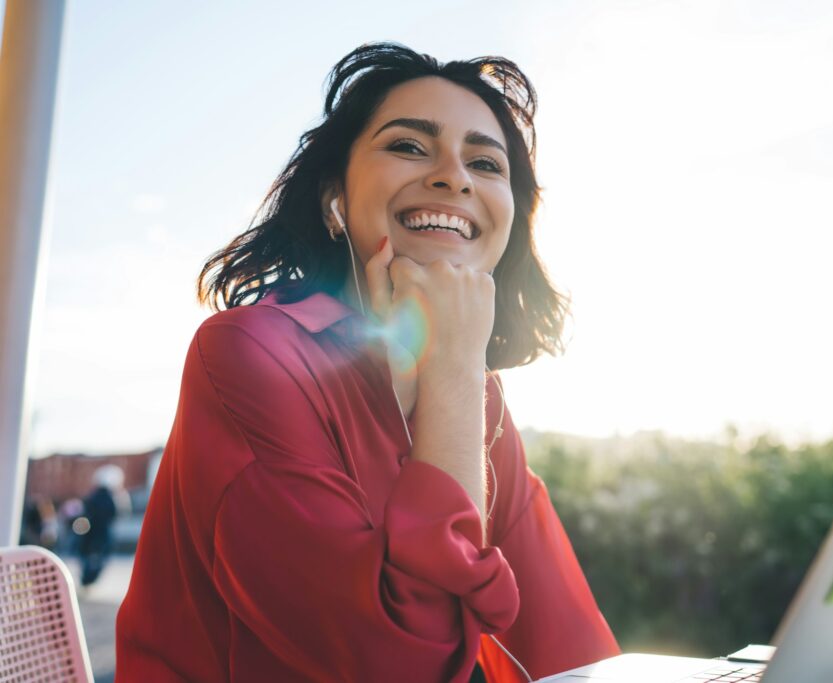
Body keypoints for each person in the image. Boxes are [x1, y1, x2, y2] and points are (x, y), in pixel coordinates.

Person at [116, 42, 619, 682]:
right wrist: (454, 371)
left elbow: (566, 638)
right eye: (409, 145)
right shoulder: (247, 355)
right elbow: (401, 666)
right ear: (335, 198)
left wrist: (457, 375)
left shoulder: (480, 399)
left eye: (485, 163)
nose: (455, 178)